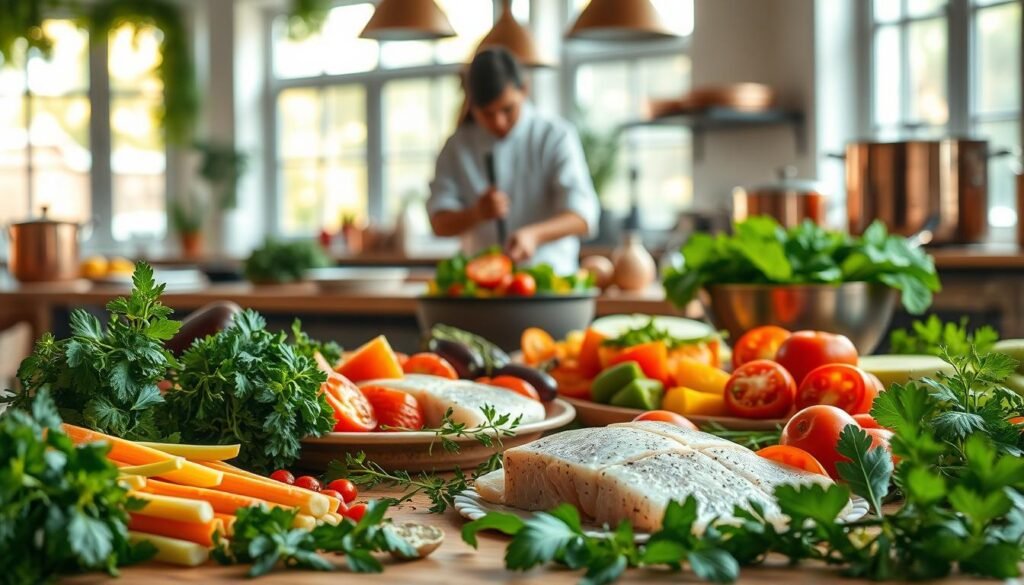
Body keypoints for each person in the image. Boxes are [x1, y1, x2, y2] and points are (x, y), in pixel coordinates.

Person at [427, 47, 599, 274]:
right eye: (487, 114)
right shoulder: (456, 146)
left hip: (550, 281)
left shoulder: (555, 135)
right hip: (482, 287)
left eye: (507, 109)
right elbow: (439, 224)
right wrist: (476, 213)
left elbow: (583, 217)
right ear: (472, 105)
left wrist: (534, 235)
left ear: (524, 89)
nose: (498, 122)